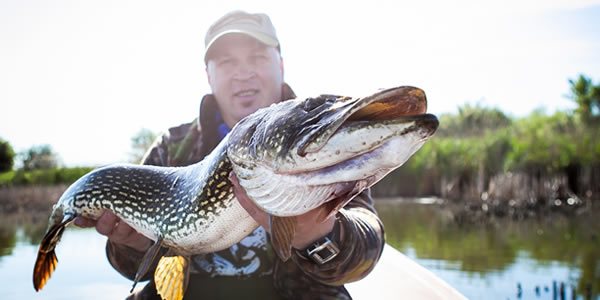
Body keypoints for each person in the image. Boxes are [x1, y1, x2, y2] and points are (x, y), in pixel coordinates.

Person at [74, 10, 384, 299]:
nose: (243, 73)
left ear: (280, 65)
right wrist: (136, 244)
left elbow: (365, 253)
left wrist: (316, 235)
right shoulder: (173, 148)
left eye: (257, 57)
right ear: (208, 75)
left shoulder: (318, 139)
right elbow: (131, 271)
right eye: (226, 62)